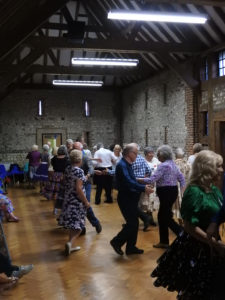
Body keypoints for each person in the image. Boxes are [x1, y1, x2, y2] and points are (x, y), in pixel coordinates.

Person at [151, 150, 225, 300]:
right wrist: (214, 244)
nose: (222, 170)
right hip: (197, 245)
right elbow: (189, 226)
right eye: (219, 166)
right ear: (206, 168)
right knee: (194, 289)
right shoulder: (194, 191)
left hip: (211, 243)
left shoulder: (214, 190)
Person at [110, 143, 153, 256]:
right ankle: (116, 242)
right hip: (126, 198)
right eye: (136, 153)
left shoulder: (127, 164)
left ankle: (131, 247)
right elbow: (129, 182)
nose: (137, 155)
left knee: (134, 223)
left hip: (131, 198)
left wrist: (143, 186)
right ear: (130, 153)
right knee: (132, 223)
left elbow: (132, 181)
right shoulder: (122, 165)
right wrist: (143, 188)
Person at [138, 145, 185, 248]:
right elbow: (181, 178)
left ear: (163, 155)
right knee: (162, 216)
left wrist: (136, 179)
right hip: (172, 192)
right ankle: (164, 241)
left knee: (165, 217)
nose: (157, 156)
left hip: (166, 193)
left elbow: (152, 179)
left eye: (158, 154)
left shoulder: (163, 165)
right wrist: (182, 190)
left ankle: (183, 235)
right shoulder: (172, 164)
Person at [58, 150, 90, 256]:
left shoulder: (68, 169)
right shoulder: (79, 171)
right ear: (80, 160)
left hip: (68, 199)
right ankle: (70, 243)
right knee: (79, 226)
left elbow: (70, 182)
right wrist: (86, 201)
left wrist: (85, 178)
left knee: (73, 225)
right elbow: (78, 188)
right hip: (76, 201)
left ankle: (70, 246)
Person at [73, 142, 102, 234]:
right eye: (74, 148)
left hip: (86, 183)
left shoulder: (85, 158)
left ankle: (95, 223)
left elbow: (91, 168)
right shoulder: (71, 158)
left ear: (81, 149)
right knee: (77, 206)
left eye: (77, 148)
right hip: (74, 185)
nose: (75, 150)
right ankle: (81, 227)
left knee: (86, 203)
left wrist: (88, 175)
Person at [174, 148, 191, 223]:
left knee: (178, 204)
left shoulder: (172, 164)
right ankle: (186, 221)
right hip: (186, 185)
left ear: (175, 155)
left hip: (176, 187)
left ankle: (180, 221)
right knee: (185, 202)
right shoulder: (188, 164)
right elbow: (190, 176)